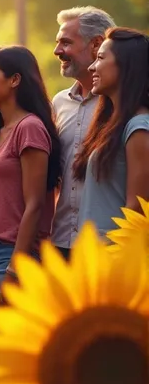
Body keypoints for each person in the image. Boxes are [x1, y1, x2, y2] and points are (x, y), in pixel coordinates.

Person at [0, 46, 61, 305]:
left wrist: (14, 267)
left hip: (12, 252)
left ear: (14, 80)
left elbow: (35, 204)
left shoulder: (30, 128)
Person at [51, 6, 115, 259]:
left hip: (107, 247)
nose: (57, 51)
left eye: (66, 43)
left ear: (96, 44)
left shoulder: (124, 107)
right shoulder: (59, 103)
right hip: (60, 241)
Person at [75, 27, 149, 236]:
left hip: (115, 258)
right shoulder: (111, 125)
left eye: (100, 58)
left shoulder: (139, 127)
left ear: (125, 66)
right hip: (95, 255)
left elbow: (137, 209)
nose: (92, 67)